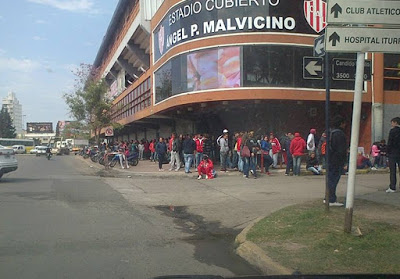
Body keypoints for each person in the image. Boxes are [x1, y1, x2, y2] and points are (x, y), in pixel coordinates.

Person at [326, 115, 347, 206]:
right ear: (341, 123)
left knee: (330, 178)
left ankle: (327, 197)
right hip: (337, 160)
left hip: (330, 159)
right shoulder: (339, 134)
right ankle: (331, 199)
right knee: (334, 179)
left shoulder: (330, 132)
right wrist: (344, 162)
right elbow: (341, 150)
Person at [386, 117, 400, 193]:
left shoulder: (392, 131)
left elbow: (390, 142)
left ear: (395, 122)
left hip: (393, 153)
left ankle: (392, 187)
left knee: (393, 171)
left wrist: (387, 152)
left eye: (392, 122)